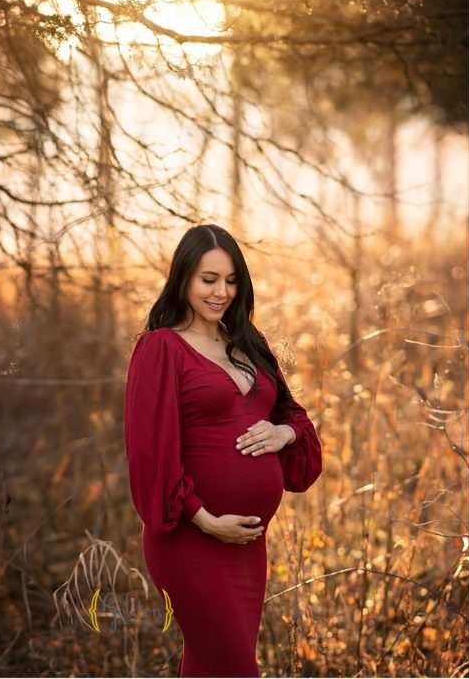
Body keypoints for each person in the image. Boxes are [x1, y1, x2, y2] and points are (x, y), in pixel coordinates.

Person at [124, 223, 322, 677]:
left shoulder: (248, 343)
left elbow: (295, 418)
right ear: (183, 278)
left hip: (247, 545)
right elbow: (147, 453)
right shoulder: (161, 348)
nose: (222, 292)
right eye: (208, 279)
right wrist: (205, 519)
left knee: (213, 664)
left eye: (231, 280)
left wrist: (284, 436)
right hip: (191, 539)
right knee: (232, 665)